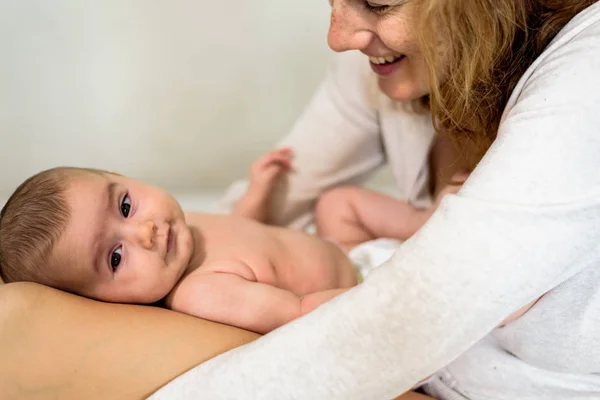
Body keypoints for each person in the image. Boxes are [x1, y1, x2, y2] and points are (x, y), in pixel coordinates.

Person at [1, 0, 599, 399]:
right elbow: (294, 305)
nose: (338, 36)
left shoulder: (582, 75)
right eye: (113, 258)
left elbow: (395, 325)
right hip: (377, 306)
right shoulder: (382, 65)